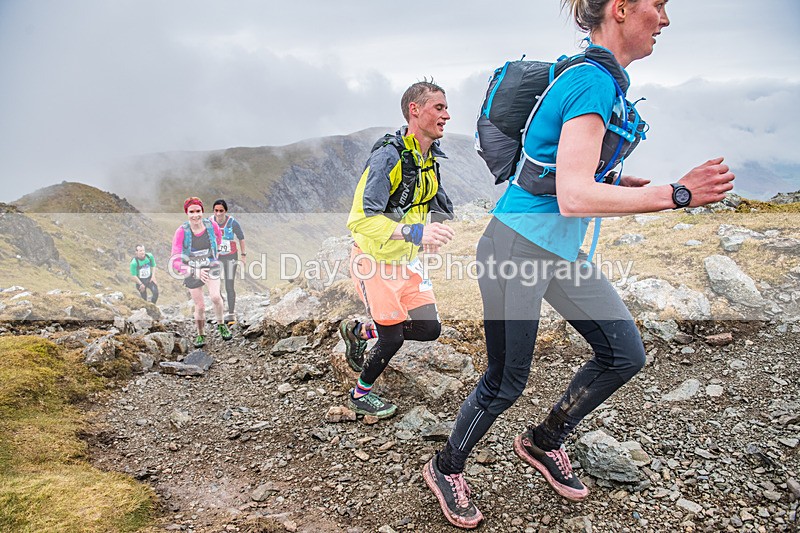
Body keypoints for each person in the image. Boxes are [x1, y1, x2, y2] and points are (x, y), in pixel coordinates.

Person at [423, 1, 735, 529]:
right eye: (658, 4)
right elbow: (572, 195)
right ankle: (445, 466)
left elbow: (570, 173)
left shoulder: (600, 81)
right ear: (620, 9)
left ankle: (543, 441)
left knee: (623, 354)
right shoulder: (590, 81)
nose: (664, 19)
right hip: (516, 248)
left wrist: (612, 180)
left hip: (560, 250)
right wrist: (677, 193)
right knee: (506, 380)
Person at [340, 80, 456, 420]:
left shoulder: (428, 158)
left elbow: (433, 202)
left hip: (407, 261)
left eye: (446, 108)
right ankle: (359, 394)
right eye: (439, 107)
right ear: (414, 110)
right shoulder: (388, 157)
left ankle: (360, 332)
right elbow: (361, 220)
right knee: (392, 339)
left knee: (429, 329)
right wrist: (416, 232)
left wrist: (429, 236)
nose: (447, 115)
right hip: (374, 261)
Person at [170, 197, 233, 348]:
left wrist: (213, 255)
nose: (195, 215)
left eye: (198, 211)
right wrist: (194, 271)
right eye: (191, 212)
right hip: (191, 270)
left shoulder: (211, 226)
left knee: (216, 297)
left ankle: (221, 325)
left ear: (202, 211)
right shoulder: (181, 232)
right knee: (200, 306)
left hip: (211, 265)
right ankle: (200, 333)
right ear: (187, 213)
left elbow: (218, 239)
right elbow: (175, 260)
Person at [212, 199, 246, 325]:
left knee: (229, 285)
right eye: (216, 210)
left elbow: (241, 238)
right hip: (216, 257)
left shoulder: (232, 222)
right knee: (215, 286)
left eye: (221, 211)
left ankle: (231, 314)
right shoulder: (209, 222)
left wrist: (243, 255)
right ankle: (219, 313)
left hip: (231, 256)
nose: (218, 213)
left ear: (225, 211)